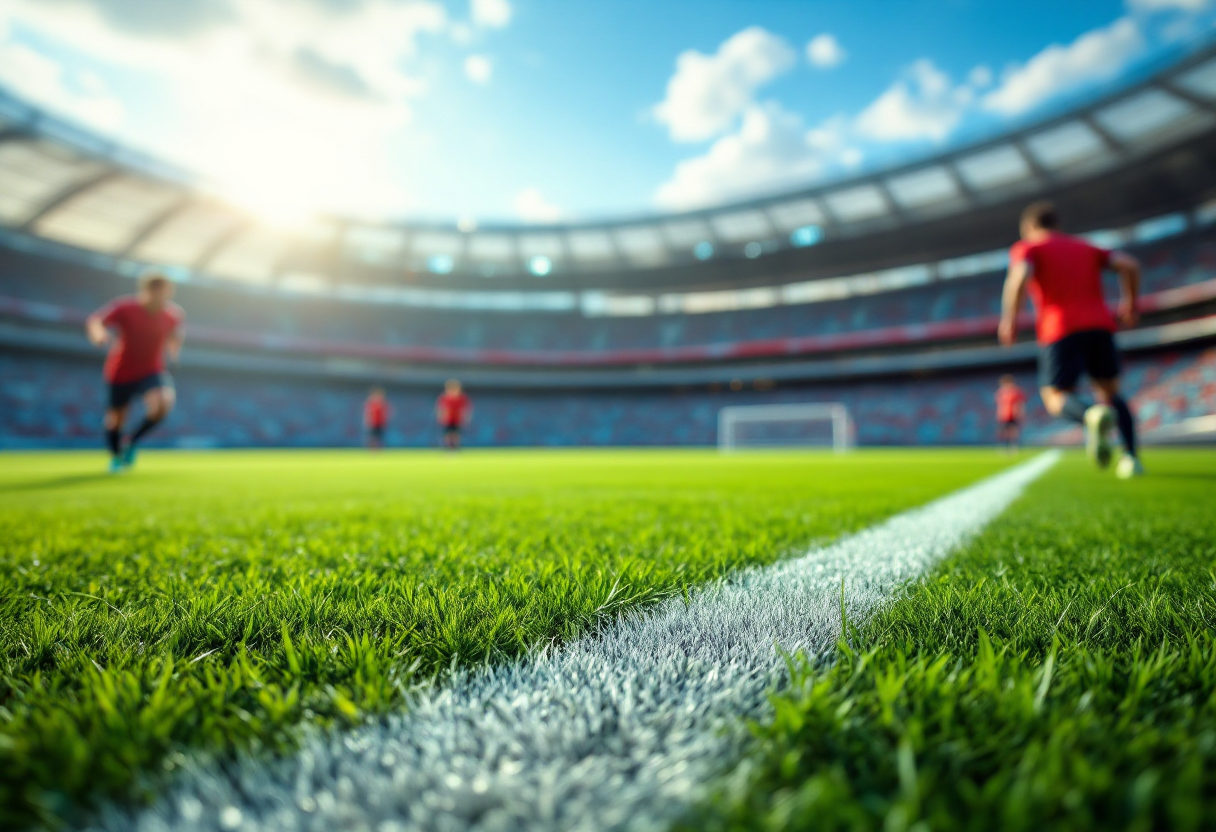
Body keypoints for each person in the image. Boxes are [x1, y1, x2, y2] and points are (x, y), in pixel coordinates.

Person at [999, 201, 1143, 478]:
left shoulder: (1029, 247)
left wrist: (1010, 320)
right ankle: (1131, 459)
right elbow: (1130, 265)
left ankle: (1090, 414)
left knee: (1055, 397)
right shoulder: (1086, 246)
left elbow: (1019, 277)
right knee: (1112, 392)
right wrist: (1130, 304)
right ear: (1057, 225)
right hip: (1101, 325)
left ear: (1030, 227)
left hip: (1060, 327)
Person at [85, 270, 184, 473]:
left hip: (151, 369)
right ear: (146, 291)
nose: (162, 298)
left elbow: (176, 334)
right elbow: (96, 321)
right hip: (121, 372)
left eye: (166, 293)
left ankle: (131, 440)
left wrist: (174, 351)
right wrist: (99, 335)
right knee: (116, 420)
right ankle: (116, 457)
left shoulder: (172, 315)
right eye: (157, 293)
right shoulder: (125, 308)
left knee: (163, 403)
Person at [994, 374, 1027, 453]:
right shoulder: (1000, 392)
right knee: (1003, 432)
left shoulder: (1016, 392)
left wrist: (1020, 413)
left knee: (1013, 432)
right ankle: (1003, 446)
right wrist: (999, 413)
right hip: (1004, 416)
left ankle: (1013, 447)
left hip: (1013, 415)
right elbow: (1000, 405)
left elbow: (1020, 403)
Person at [435, 379, 471, 450]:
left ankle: (455, 447)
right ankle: (448, 447)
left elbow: (465, 409)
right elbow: (441, 409)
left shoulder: (462, 398)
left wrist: (466, 417)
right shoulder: (444, 398)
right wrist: (440, 417)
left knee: (456, 434)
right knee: (448, 433)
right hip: (447, 419)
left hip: (457, 419)